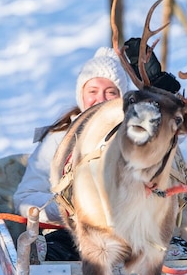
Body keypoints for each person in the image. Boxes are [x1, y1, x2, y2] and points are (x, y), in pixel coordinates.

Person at [13, 46, 128, 260]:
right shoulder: (60, 139)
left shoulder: (133, 137)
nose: (100, 100)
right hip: (72, 236)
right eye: (92, 91)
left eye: (110, 92)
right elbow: (24, 198)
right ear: (81, 95)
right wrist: (70, 209)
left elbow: (169, 138)